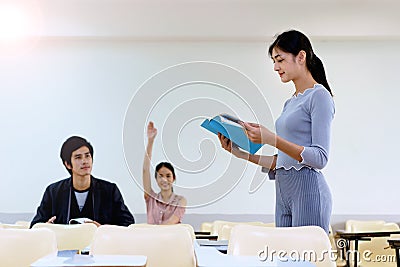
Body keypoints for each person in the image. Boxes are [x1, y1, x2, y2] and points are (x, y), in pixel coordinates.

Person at [218, 29, 334, 233]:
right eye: (274, 60)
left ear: (301, 56)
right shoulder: (290, 102)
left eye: (279, 59)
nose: (275, 67)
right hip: (283, 190)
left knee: (306, 262)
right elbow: (281, 161)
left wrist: (272, 139)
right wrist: (239, 153)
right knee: (285, 260)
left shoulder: (320, 96)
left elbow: (320, 158)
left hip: (307, 190)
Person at [30, 136, 135, 227]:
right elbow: (35, 225)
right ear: (68, 164)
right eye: (78, 157)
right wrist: (46, 227)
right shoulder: (53, 192)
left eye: (87, 156)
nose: (85, 161)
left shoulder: (109, 190)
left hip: (99, 247)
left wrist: (103, 228)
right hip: (64, 247)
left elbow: (128, 223)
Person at [142, 121, 186, 224]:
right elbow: (145, 170)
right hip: (151, 239)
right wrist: (150, 141)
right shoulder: (150, 198)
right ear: (156, 179)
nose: (164, 179)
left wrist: (152, 231)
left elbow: (172, 222)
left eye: (168, 176)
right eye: (160, 176)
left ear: (173, 178)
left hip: (170, 239)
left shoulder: (181, 201)